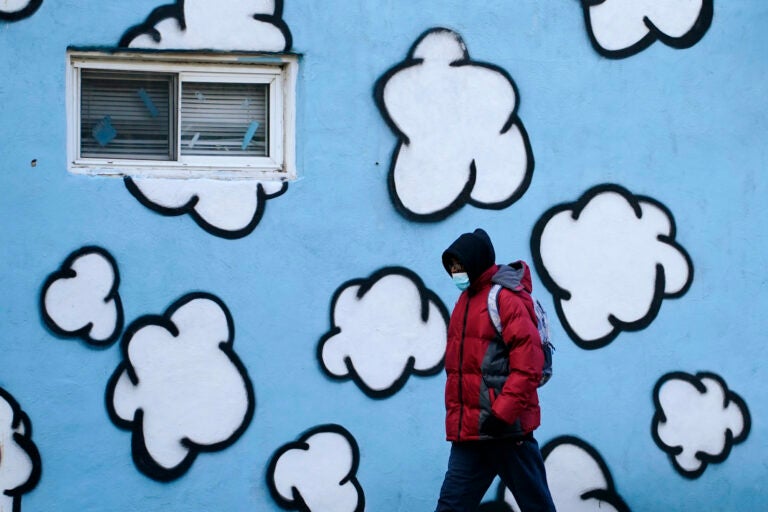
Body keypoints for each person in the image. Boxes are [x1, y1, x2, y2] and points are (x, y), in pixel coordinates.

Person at [436, 228, 555, 512]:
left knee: (536, 506)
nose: (455, 272)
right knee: (450, 507)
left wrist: (502, 414)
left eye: (459, 266)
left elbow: (529, 364)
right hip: (471, 434)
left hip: (507, 433)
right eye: (451, 267)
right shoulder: (464, 302)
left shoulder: (504, 300)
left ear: (475, 261)